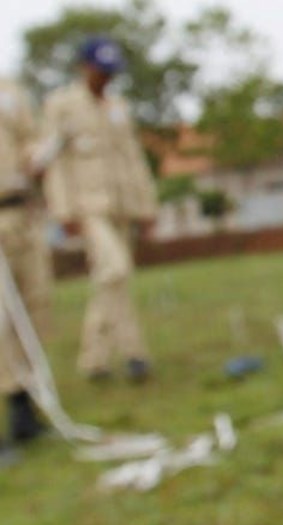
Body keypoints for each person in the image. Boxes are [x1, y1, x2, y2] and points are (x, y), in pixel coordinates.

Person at [42, 36, 157, 384]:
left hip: (121, 207)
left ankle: (94, 360)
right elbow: (54, 162)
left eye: (109, 73)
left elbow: (133, 160)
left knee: (108, 279)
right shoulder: (61, 106)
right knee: (117, 269)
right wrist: (63, 211)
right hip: (88, 208)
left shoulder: (117, 107)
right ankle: (135, 353)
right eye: (98, 71)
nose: (104, 79)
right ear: (83, 67)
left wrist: (146, 206)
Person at [0, 77, 52, 455]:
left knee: (33, 307)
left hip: (21, 210)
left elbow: (29, 135)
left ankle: (23, 404)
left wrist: (37, 154)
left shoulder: (9, 89)